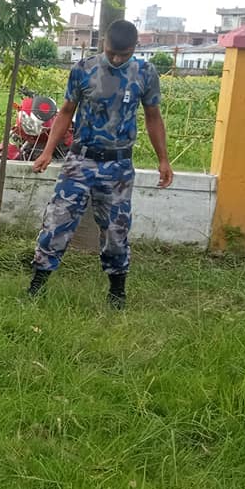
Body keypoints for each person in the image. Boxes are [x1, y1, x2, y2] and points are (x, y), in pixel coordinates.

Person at [28, 20, 174, 309]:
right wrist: (46, 152)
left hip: (118, 166)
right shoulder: (83, 70)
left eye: (125, 54)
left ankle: (117, 293)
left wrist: (163, 159)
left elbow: (153, 117)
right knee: (57, 223)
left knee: (116, 232)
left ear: (135, 48)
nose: (118, 59)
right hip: (80, 160)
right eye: (112, 53)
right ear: (103, 44)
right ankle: (35, 288)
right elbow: (66, 112)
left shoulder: (145, 72)